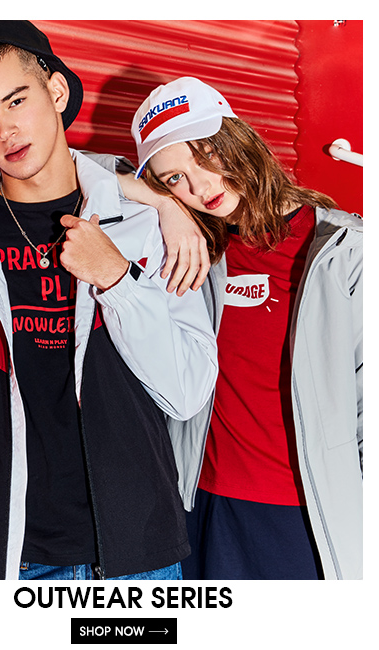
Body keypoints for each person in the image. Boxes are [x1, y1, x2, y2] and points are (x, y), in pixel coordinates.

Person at [0, 23, 218, 580]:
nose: (5, 131)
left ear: (57, 92)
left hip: (138, 556)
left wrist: (117, 279)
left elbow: (185, 394)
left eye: (16, 100)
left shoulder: (146, 229)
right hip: (6, 559)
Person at [115, 76, 363, 580]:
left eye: (206, 155)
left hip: (304, 516)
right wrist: (162, 206)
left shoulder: (346, 251)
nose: (200, 187)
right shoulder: (194, 252)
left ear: (239, 138)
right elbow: (67, 169)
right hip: (197, 503)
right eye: (174, 179)